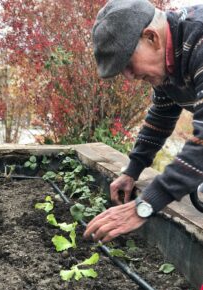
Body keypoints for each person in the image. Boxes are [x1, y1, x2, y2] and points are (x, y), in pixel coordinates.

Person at [84, 0, 203, 243]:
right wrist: (133, 170)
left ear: (151, 37)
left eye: (128, 64)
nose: (130, 76)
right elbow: (161, 115)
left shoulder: (199, 40)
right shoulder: (167, 64)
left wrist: (146, 204)